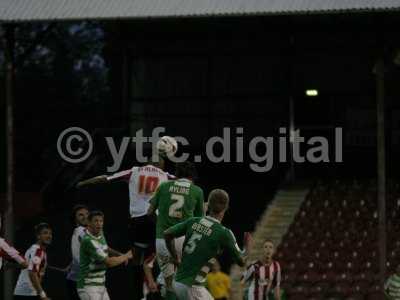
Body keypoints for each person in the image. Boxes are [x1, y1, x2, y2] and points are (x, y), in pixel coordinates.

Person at [76, 155, 173, 264]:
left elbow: (105, 178)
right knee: (164, 251)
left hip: (138, 220)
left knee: (137, 254)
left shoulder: (134, 171)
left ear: (147, 163)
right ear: (161, 166)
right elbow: (186, 184)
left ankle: (138, 276)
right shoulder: (165, 175)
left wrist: (83, 183)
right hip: (156, 219)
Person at [163, 189, 247, 300]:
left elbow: (167, 234)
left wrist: (175, 257)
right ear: (226, 208)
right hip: (193, 287)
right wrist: (247, 248)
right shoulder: (223, 232)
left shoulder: (193, 221)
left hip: (178, 282)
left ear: (209, 204)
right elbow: (241, 261)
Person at [148, 161, 205, 300]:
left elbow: (149, 212)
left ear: (177, 174)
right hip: (183, 241)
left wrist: (160, 224)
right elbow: (199, 221)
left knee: (168, 285)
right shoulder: (197, 191)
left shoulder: (163, 186)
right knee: (187, 283)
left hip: (161, 240)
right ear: (193, 176)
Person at [77, 210, 132, 300]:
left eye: (101, 221)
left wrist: (119, 254)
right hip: (88, 286)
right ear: (89, 223)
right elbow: (109, 262)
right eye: (96, 221)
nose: (99, 224)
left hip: (100, 285)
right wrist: (126, 255)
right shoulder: (88, 241)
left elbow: (105, 247)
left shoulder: (100, 233)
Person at [14, 223, 53, 300]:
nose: (49, 236)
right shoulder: (38, 251)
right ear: (38, 236)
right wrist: (43, 295)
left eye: (50, 233)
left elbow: (26, 266)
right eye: (45, 233)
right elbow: (32, 273)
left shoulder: (34, 249)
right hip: (27, 294)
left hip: (27, 293)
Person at [66, 205, 89, 300]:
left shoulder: (77, 231)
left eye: (87, 214)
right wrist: (121, 255)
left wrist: (71, 264)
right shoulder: (82, 231)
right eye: (81, 215)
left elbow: (78, 253)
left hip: (73, 280)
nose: (85, 216)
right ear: (75, 219)